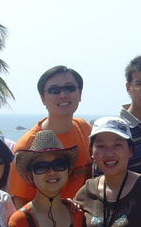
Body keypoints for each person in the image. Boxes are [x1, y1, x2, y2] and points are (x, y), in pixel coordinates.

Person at [8, 66, 94, 208]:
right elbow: (20, 200)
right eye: (54, 90)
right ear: (43, 98)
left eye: (69, 88)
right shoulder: (28, 145)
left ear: (80, 94)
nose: (63, 95)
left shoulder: (84, 128)